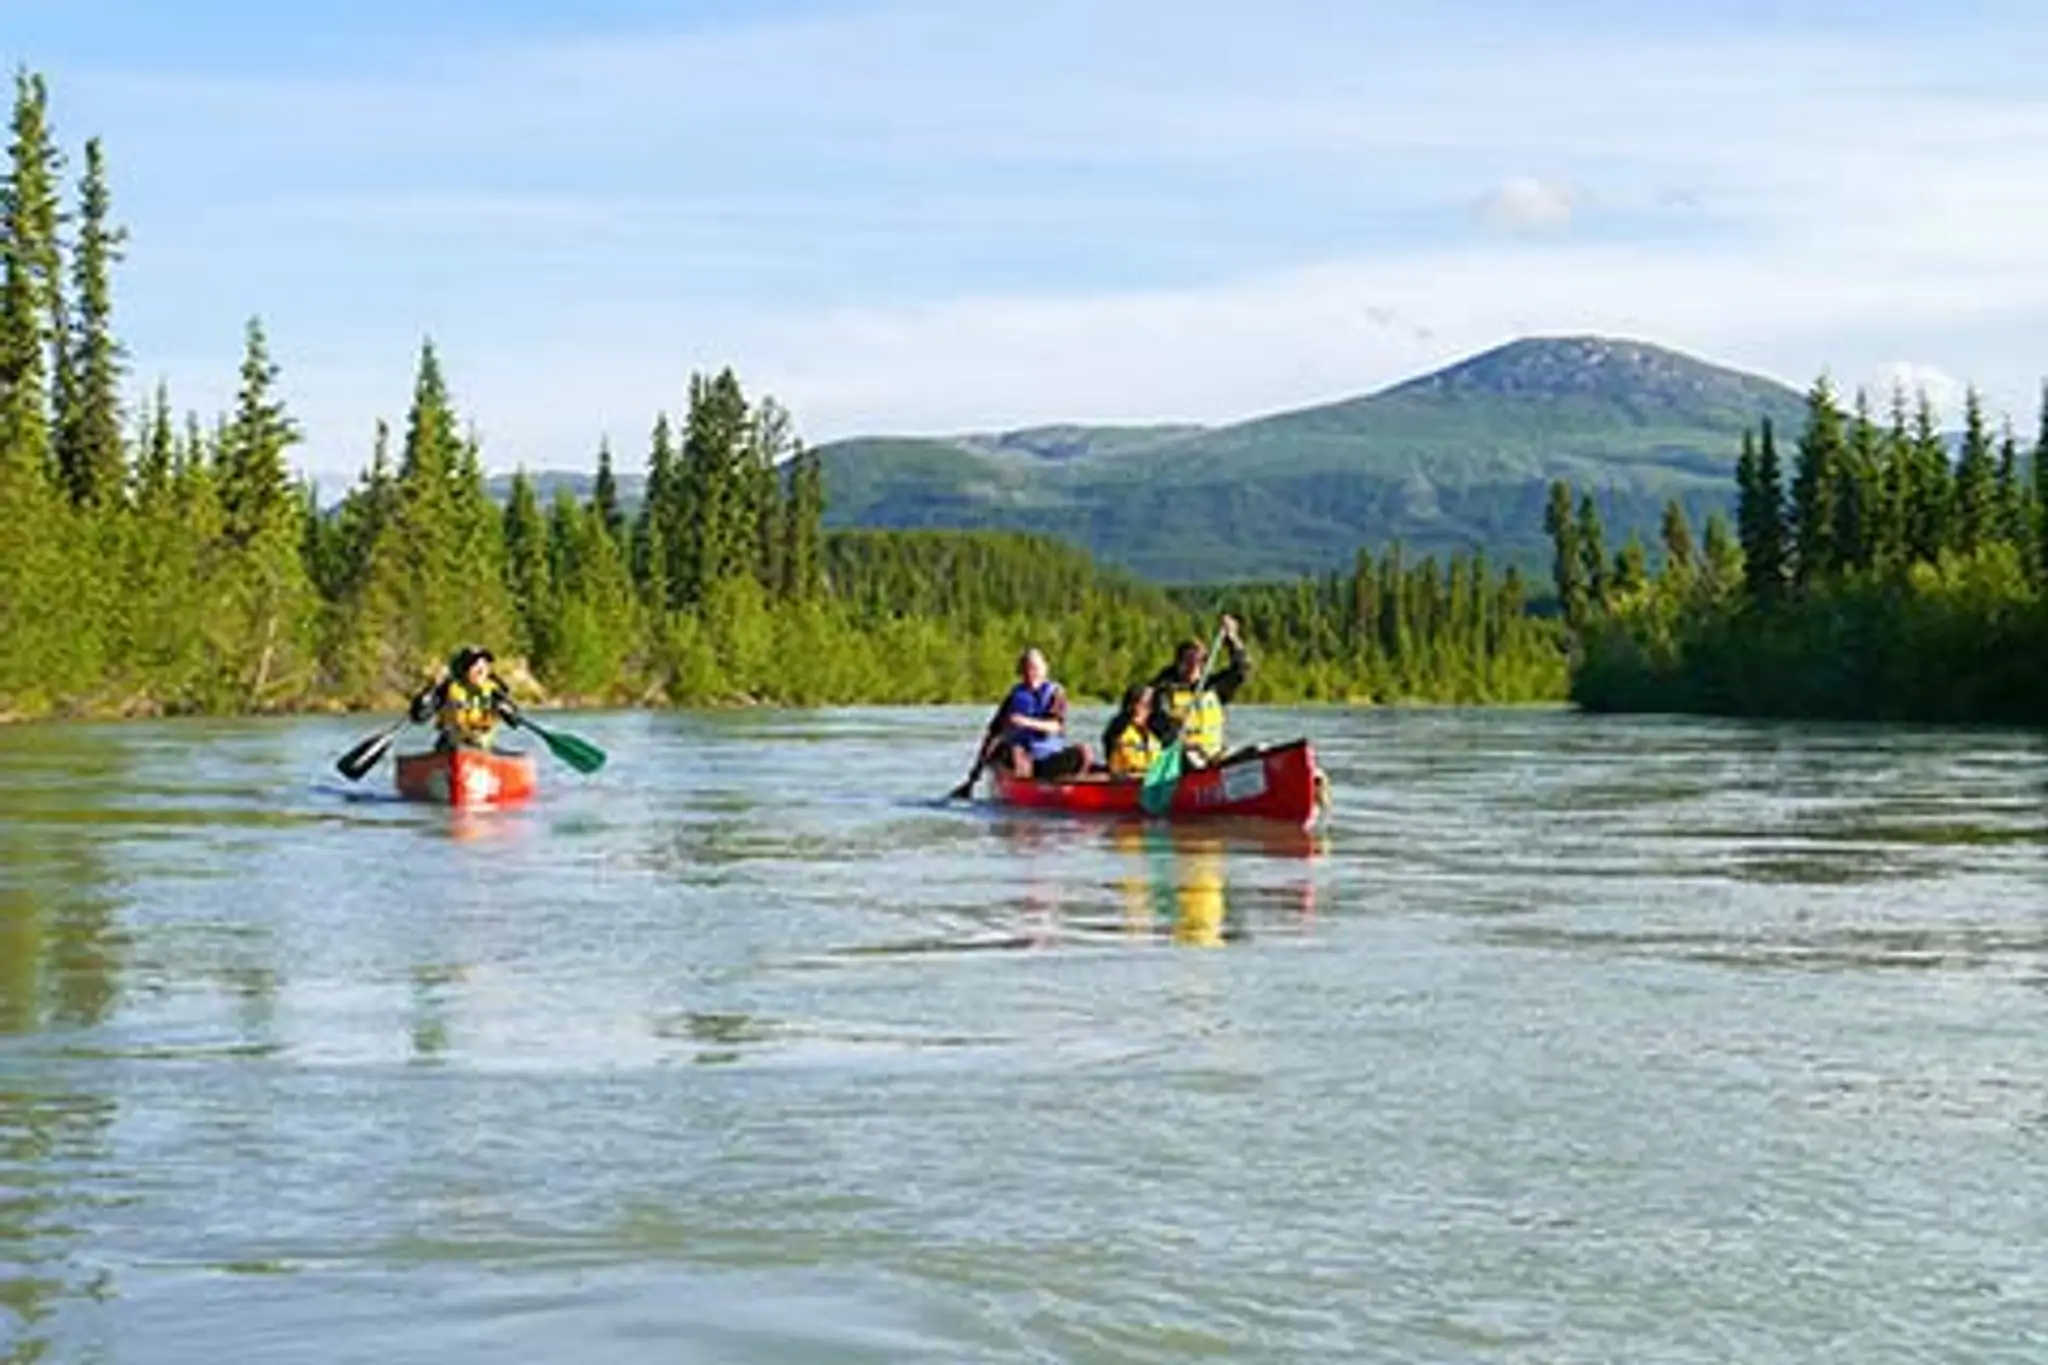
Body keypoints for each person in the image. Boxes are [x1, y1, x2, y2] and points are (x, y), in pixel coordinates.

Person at [1147, 613, 1249, 767]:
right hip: (1182, 761)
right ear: (1178, 663)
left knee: (1256, 750)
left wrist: (1232, 639)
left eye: (1199, 661)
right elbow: (1159, 725)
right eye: (1188, 661)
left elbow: (1241, 671)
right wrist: (1180, 737)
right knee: (1191, 757)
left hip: (1214, 757)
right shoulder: (1163, 692)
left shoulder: (1213, 687)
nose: (1193, 667)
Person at [980, 647, 1092, 780]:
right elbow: (993, 733)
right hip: (1022, 757)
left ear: (1044, 670)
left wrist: (1025, 722)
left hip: (1048, 757)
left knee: (1083, 752)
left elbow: (1055, 726)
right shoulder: (1014, 696)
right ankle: (1022, 776)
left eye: (1035, 669)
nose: (1030, 674)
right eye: (1026, 669)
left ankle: (1057, 779)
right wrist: (975, 774)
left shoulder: (1054, 694)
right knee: (1006, 751)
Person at [409, 645, 522, 752]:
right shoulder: (446, 689)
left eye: (484, 666)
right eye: (475, 666)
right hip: (449, 747)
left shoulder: (494, 691)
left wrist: (508, 712)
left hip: (482, 748)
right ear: (463, 669)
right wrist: (430, 689)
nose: (481, 671)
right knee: (453, 744)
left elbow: (515, 721)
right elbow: (418, 716)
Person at [1100, 684, 1160, 779]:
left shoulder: (1155, 730)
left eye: (1150, 706)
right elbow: (1110, 742)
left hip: (1151, 776)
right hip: (1125, 778)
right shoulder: (1119, 726)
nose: (1149, 710)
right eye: (1144, 705)